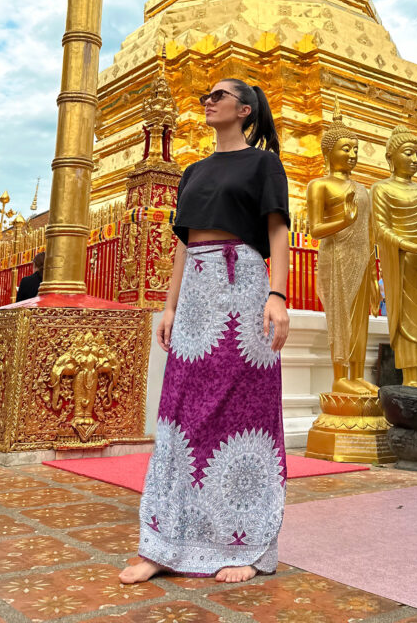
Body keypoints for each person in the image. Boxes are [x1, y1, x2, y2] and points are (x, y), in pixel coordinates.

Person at [120, 78, 290, 586]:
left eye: (218, 95)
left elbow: (277, 230)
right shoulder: (192, 171)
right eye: (206, 97)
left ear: (244, 109)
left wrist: (277, 297)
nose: (208, 102)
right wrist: (168, 306)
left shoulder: (263, 164)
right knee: (180, 412)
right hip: (196, 289)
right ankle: (162, 542)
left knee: (242, 414)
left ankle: (244, 543)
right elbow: (182, 241)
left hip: (244, 287)